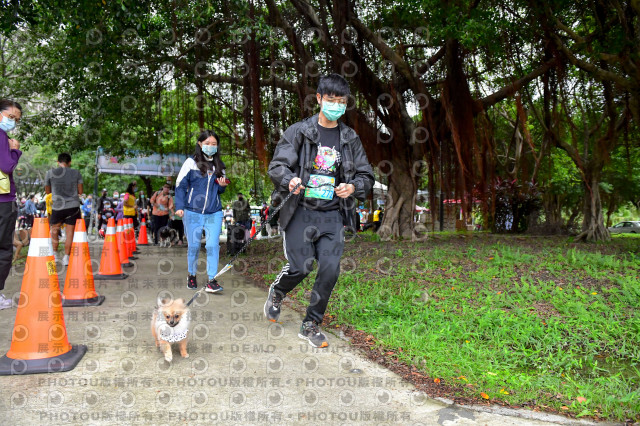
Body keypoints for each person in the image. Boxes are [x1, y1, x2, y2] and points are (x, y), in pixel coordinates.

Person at [264, 74, 374, 348]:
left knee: (330, 269)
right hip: (300, 210)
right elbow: (277, 166)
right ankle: (278, 291)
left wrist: (353, 187)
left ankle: (311, 323)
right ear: (319, 99)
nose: (336, 105)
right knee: (302, 266)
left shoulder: (349, 138)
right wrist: (290, 179)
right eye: (331, 100)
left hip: (332, 214)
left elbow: (366, 176)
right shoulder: (299, 131)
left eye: (342, 101)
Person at [175, 129, 229, 292]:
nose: (210, 146)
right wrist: (179, 206)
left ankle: (212, 280)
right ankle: (191, 275)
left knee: (213, 246)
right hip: (193, 212)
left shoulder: (220, 165)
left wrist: (222, 186)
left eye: (213, 144)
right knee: (194, 246)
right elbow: (180, 185)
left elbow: (220, 191)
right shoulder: (191, 163)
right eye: (207, 144)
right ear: (200, 144)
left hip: (214, 212)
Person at [0, 99, 23, 310]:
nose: (13, 122)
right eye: (10, 117)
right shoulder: (2, 137)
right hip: (3, 201)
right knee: (4, 248)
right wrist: (15, 150)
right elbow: (6, 166)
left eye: (16, 120)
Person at [45, 152, 83, 266]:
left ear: (58, 162)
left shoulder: (50, 173)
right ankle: (66, 257)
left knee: (54, 231)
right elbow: (80, 192)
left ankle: (55, 255)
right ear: (70, 162)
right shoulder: (76, 173)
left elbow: (47, 192)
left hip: (57, 206)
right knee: (69, 233)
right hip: (73, 206)